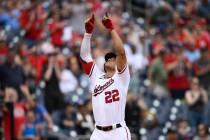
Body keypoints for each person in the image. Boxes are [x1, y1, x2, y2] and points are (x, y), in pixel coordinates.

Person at [80, 13, 131, 140]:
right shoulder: (97, 76)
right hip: (98, 133)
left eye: (113, 59)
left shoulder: (121, 77)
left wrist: (111, 29)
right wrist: (87, 34)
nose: (110, 60)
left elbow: (121, 52)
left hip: (118, 131)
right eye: (108, 59)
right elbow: (85, 57)